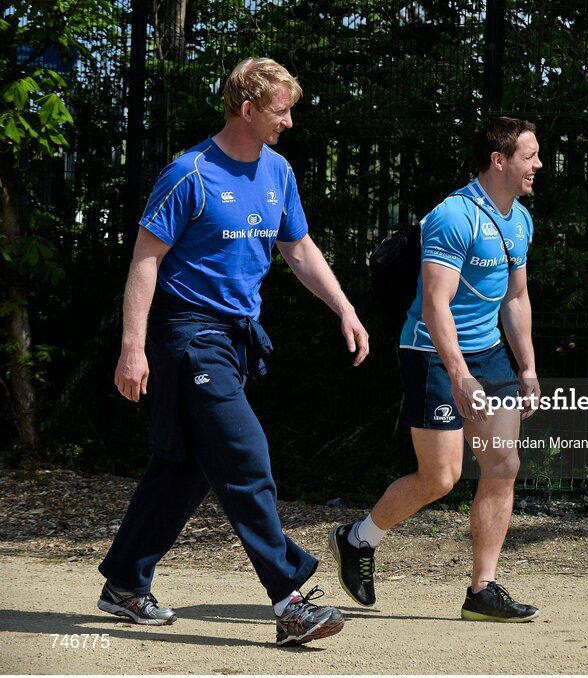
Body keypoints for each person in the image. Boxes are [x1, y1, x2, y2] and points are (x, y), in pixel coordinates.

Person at [100, 57, 369, 647]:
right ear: (246, 109)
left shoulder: (277, 170)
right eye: (280, 111)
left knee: (185, 467)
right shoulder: (189, 174)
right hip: (189, 335)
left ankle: (123, 580)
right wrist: (132, 347)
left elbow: (297, 248)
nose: (290, 122)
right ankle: (290, 598)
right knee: (245, 453)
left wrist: (345, 308)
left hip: (236, 336)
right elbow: (145, 262)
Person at [329, 117, 542, 622]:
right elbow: (434, 304)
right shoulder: (453, 216)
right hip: (431, 352)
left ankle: (482, 591)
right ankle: (357, 539)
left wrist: (528, 368)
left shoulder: (520, 220)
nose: (539, 165)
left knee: (503, 465)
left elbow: (516, 297)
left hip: (488, 352)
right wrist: (458, 374)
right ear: (500, 160)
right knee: (441, 476)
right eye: (530, 156)